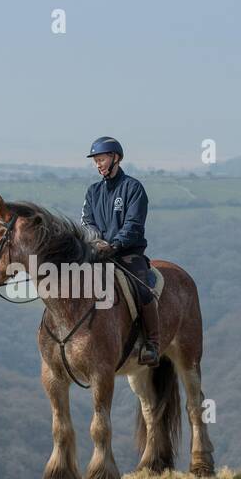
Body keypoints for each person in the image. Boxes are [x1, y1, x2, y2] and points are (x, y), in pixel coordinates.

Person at [80, 136, 160, 367]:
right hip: (98, 253)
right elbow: (87, 221)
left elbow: (133, 225)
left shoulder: (133, 188)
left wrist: (114, 244)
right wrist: (96, 242)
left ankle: (152, 344)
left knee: (143, 289)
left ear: (116, 158)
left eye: (101, 159)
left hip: (127, 253)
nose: (98, 164)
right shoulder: (93, 191)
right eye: (95, 160)